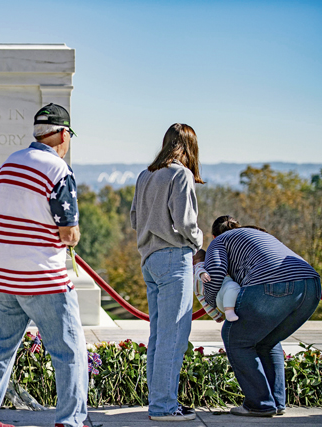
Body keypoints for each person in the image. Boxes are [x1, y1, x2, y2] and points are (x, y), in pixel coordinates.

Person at [0, 104, 89, 427]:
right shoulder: (59, 170)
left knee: (1, 347)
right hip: (42, 276)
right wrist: (70, 237)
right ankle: (70, 421)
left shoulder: (9, 164)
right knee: (69, 351)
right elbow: (69, 233)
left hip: (2, 274)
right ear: (63, 134)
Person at [204, 215, 321, 417]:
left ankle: (259, 404)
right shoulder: (256, 234)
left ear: (213, 236)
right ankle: (276, 402)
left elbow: (215, 271)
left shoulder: (219, 241)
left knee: (235, 337)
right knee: (267, 340)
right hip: (311, 284)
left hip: (273, 282)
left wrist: (211, 302)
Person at [130, 123, 203, 421]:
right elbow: (185, 222)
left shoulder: (144, 175)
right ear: (188, 147)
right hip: (174, 257)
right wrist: (199, 241)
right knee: (174, 337)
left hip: (149, 258)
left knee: (159, 336)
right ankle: (163, 406)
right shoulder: (180, 174)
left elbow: (135, 219)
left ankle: (159, 402)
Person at [193, 249, 240, 322]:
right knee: (233, 286)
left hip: (220, 302)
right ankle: (229, 312)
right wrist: (202, 274)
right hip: (225, 289)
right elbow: (199, 268)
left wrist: (215, 315)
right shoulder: (203, 265)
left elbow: (205, 302)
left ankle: (229, 311)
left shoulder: (195, 287)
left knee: (232, 288)